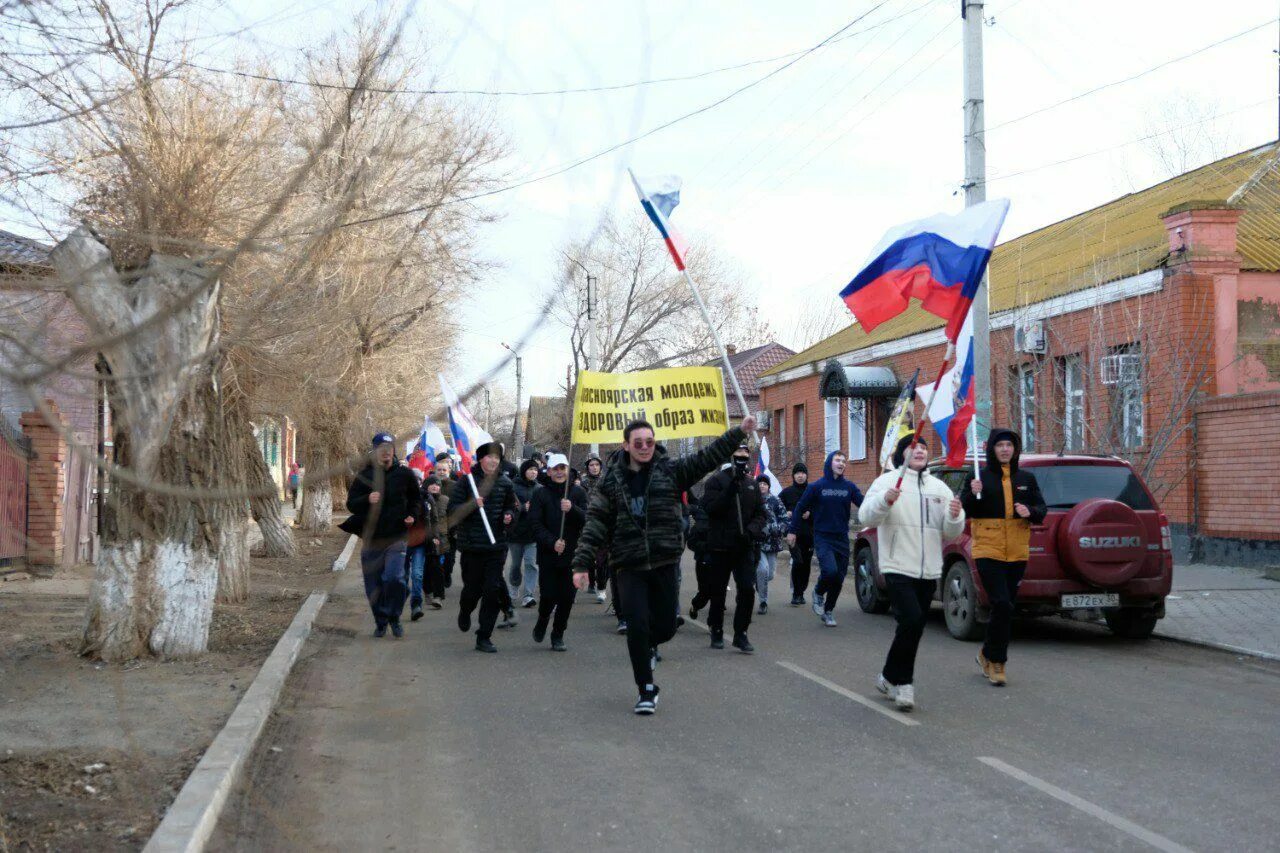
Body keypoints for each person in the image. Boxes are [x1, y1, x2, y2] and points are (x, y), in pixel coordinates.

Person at [573, 415, 756, 714]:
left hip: (664, 560)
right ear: (626, 445)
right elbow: (595, 522)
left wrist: (738, 433)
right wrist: (581, 564)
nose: (645, 447)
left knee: (667, 627)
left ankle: (651, 642)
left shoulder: (670, 471)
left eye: (649, 442)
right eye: (638, 443)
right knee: (636, 627)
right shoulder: (610, 481)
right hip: (628, 564)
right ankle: (646, 689)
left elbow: (707, 457)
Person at [858, 435, 965, 712]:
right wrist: (885, 500)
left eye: (923, 448)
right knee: (912, 619)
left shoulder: (939, 488)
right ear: (902, 454)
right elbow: (866, 517)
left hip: (928, 569)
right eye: (913, 447)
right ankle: (904, 684)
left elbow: (950, 532)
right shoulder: (886, 482)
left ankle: (888, 675)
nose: (919, 451)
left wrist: (955, 515)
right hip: (897, 565)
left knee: (913, 627)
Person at [962, 428, 1046, 687]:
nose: (1005, 449)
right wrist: (971, 492)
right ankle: (998, 662)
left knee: (1006, 607)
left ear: (1015, 449)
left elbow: (1041, 510)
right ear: (992, 449)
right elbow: (967, 508)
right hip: (988, 548)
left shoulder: (1027, 478)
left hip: (1017, 550)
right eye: (1000, 445)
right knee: (1000, 604)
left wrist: (1029, 510)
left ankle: (986, 653)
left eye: (1009, 445)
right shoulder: (979, 476)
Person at [341, 433, 422, 638]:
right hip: (372, 538)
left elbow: (416, 500)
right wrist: (367, 498)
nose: (386, 452)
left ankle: (394, 617)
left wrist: (412, 515)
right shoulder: (364, 476)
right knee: (373, 585)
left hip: (396, 536)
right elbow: (351, 504)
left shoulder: (405, 474)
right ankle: (381, 620)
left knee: (395, 578)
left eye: (389, 448)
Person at [689, 442, 766, 654]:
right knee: (718, 591)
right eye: (738, 452)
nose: (742, 456)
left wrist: (750, 531)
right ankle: (716, 629)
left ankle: (741, 633)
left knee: (746, 589)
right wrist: (729, 490)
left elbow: (761, 514)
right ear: (730, 456)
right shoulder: (716, 481)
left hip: (744, 547)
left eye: (745, 453)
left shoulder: (752, 484)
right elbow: (711, 508)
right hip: (720, 547)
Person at [450, 441, 518, 653]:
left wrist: (510, 516)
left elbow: (512, 507)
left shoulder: (505, 483)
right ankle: (465, 610)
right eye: (490, 457)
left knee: (493, 591)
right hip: (472, 546)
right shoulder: (466, 482)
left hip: (496, 546)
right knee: (472, 590)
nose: (494, 461)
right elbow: (452, 511)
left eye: (497, 458)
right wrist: (472, 505)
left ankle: (484, 636)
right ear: (481, 459)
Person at [786, 451, 863, 627]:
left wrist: (880, 502)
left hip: (841, 537)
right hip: (822, 536)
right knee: (830, 571)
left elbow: (864, 505)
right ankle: (818, 592)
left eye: (844, 460)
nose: (841, 463)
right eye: (837, 460)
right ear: (829, 463)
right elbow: (800, 508)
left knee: (839, 577)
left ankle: (828, 611)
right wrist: (793, 531)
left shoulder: (849, 487)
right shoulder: (816, 486)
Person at [529, 453, 587, 651]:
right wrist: (552, 542)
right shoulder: (540, 493)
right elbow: (534, 524)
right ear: (549, 471)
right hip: (548, 554)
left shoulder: (578, 492)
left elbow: (588, 519)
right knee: (548, 596)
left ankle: (558, 634)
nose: (560, 472)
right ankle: (543, 618)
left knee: (567, 598)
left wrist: (572, 509)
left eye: (563, 468)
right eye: (556, 468)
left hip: (573, 554)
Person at [507, 459, 541, 608]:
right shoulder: (513, 487)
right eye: (530, 469)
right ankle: (514, 589)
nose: (533, 472)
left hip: (533, 534)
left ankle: (528, 595)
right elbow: (507, 508)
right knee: (515, 565)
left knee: (531, 564)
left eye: (536, 469)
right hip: (515, 534)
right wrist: (522, 508)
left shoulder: (540, 488)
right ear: (523, 471)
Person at [778, 463, 813, 606]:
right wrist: (786, 514)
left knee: (806, 564)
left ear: (806, 475)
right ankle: (796, 593)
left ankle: (801, 591)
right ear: (793, 476)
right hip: (793, 535)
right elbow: (776, 508)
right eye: (797, 473)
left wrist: (811, 513)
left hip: (810, 534)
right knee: (798, 561)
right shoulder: (787, 493)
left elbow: (821, 509)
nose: (800, 476)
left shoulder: (812, 491)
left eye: (803, 473)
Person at [755, 475, 789, 615]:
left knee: (769, 575)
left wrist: (778, 528)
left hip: (773, 543)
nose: (762, 486)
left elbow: (784, 519)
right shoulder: (753, 500)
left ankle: (759, 583)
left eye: (765, 484)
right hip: (757, 542)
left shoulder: (776, 500)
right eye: (760, 483)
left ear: (768, 486)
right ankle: (763, 601)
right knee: (762, 570)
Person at [433, 453, 459, 589]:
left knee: (449, 559)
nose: (441, 472)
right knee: (434, 558)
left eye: (444, 470)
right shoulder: (429, 484)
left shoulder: (455, 486)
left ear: (449, 471)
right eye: (439, 470)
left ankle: (447, 574)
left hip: (451, 529)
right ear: (435, 470)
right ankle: (436, 584)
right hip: (434, 529)